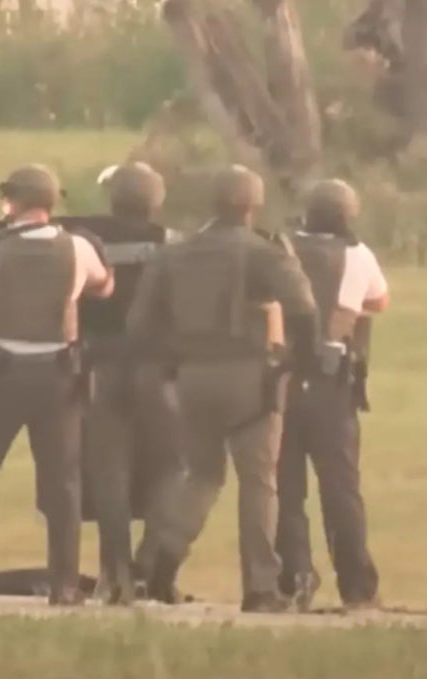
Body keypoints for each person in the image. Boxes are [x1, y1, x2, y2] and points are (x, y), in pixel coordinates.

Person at [126, 164, 318, 613]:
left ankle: (159, 566)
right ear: (254, 205)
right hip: (250, 375)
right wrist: (299, 363)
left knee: (201, 475)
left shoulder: (174, 252)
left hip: (192, 376)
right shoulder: (262, 252)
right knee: (258, 482)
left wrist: (171, 363)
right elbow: (304, 308)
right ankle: (261, 588)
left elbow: (139, 324)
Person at [0, 164, 114, 606]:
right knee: (62, 483)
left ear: (15, 202)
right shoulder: (78, 247)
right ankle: (65, 583)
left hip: (1, 375)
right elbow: (104, 288)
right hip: (57, 375)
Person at [55, 162, 187, 604]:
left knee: (109, 471)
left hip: (100, 366)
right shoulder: (172, 245)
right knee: (173, 467)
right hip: (159, 370)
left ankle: (115, 575)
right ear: (157, 202)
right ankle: (151, 560)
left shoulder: (85, 240)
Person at [275, 178, 389, 611]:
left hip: (281, 377)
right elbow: (380, 301)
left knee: (285, 487)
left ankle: (294, 579)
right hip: (332, 383)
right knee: (340, 487)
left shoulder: (280, 248)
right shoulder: (356, 255)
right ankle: (357, 587)